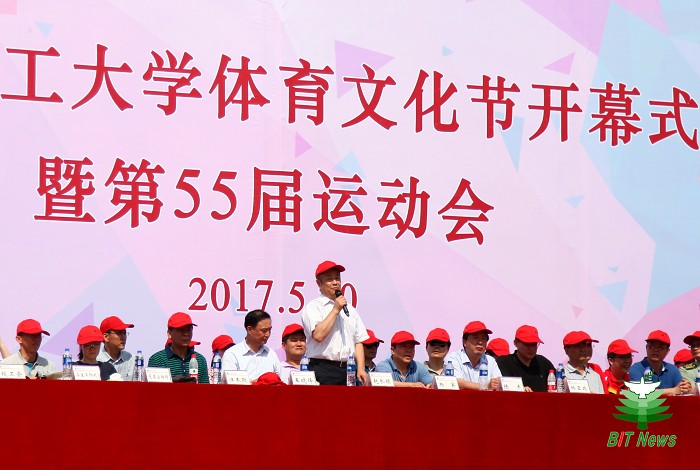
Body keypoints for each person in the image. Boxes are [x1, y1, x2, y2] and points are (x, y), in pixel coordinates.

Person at [302, 260, 369, 385]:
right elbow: (318, 335)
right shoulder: (313, 307)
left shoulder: (350, 309)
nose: (335, 282)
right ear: (319, 283)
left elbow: (358, 340)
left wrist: (360, 368)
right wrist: (335, 309)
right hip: (322, 369)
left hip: (348, 370)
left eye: (337, 278)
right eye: (329, 279)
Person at [147, 312, 209, 383]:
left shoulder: (200, 360)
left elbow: (206, 388)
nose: (186, 334)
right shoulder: (157, 359)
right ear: (169, 333)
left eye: (189, 330)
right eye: (181, 330)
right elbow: (153, 388)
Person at [221, 309, 282, 381]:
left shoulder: (271, 354)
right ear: (249, 329)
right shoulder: (232, 354)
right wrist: (260, 383)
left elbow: (281, 382)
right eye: (264, 330)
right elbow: (229, 384)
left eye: (270, 330)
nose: (268, 334)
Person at [629, 330, 692, 396]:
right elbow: (639, 391)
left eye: (660, 348)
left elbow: (681, 390)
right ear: (646, 347)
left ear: (667, 351)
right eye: (652, 347)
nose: (655, 350)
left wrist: (685, 387)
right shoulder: (636, 368)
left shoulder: (673, 370)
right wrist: (673, 391)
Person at [444, 321, 502, 390]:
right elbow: (456, 383)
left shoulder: (490, 361)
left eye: (483, 338)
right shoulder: (453, 358)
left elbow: (498, 384)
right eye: (475, 338)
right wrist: (486, 387)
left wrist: (495, 385)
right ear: (464, 342)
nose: (480, 342)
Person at [496, 325, 554, 392]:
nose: (531, 348)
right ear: (515, 343)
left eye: (534, 344)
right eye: (527, 344)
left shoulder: (543, 363)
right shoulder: (503, 363)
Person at [97, 316, 135, 381]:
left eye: (124, 333)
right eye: (119, 333)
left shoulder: (131, 359)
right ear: (106, 337)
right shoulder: (96, 359)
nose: (124, 337)